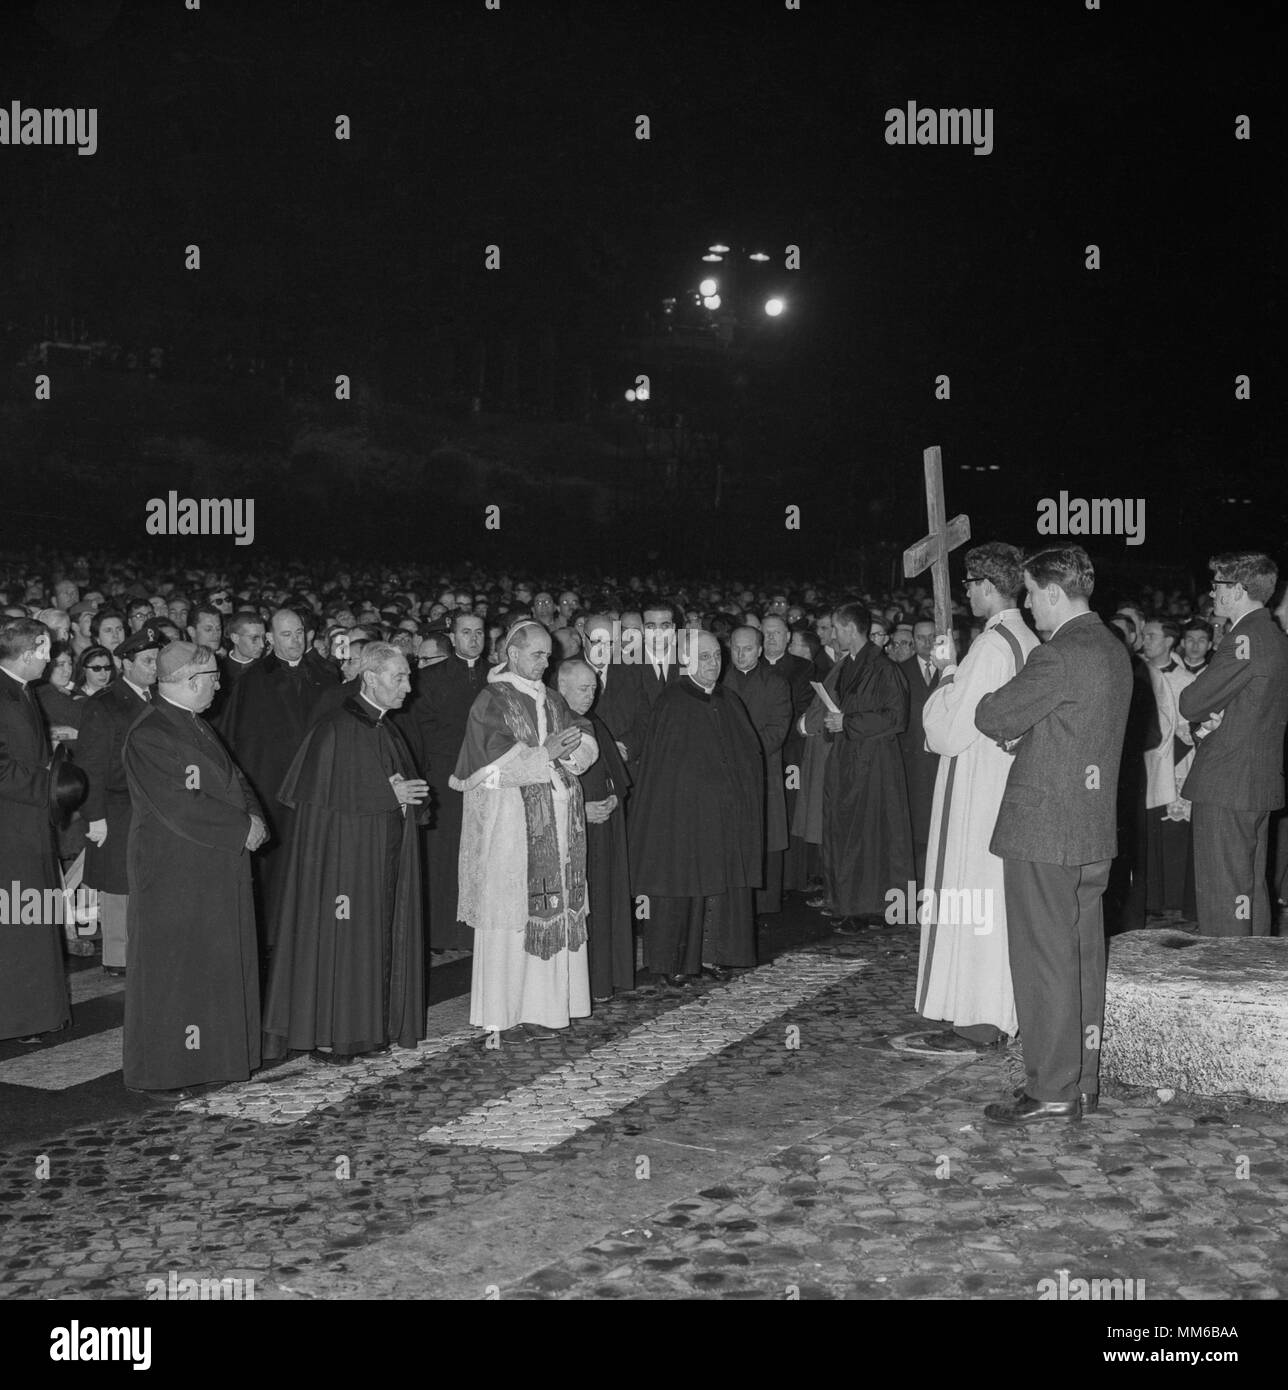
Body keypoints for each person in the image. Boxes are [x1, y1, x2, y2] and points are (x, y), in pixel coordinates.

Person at [975, 547, 1131, 1125]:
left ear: (1053, 594)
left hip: (1045, 830)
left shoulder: (1059, 654)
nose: (1028, 605)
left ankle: (1050, 1088)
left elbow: (992, 715)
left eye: (1031, 593)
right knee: (1084, 958)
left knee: (1044, 962)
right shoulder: (1114, 651)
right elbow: (1077, 727)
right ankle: (1082, 1080)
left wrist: (1015, 722)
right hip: (1092, 832)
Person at [263, 644, 429, 1063]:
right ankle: (331, 1034)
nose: (409, 687)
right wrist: (387, 794)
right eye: (400, 677)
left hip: (379, 857)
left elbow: (402, 786)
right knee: (344, 940)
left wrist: (407, 799)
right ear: (370, 679)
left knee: (375, 939)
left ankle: (365, 1030)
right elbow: (325, 804)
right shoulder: (335, 729)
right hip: (342, 865)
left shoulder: (385, 728)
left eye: (408, 676)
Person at [121, 642, 267, 1096]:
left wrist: (254, 817)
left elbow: (236, 777)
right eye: (212, 678)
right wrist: (242, 826)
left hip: (211, 865)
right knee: (177, 970)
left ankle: (215, 1057)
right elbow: (181, 805)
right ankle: (171, 1069)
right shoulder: (151, 733)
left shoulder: (193, 722)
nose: (219, 684)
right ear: (188, 682)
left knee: (212, 964)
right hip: (176, 872)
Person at [912, 543, 1038, 1053]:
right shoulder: (1026, 638)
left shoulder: (990, 648)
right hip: (1005, 781)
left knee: (972, 892)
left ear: (987, 586)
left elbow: (947, 731)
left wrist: (946, 674)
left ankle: (979, 1017)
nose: (966, 592)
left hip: (979, 786)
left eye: (969, 584)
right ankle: (990, 1011)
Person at [452, 621, 597, 1039]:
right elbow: (483, 771)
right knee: (513, 913)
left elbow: (582, 738)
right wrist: (543, 755)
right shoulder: (491, 701)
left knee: (553, 904)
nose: (545, 662)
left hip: (557, 823)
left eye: (549, 655)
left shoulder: (551, 698)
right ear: (513, 654)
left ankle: (547, 1007)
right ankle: (505, 1009)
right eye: (537, 654)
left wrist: (572, 755)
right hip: (511, 826)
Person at [629, 631, 764, 984]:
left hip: (723, 816)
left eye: (717, 656)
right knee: (682, 884)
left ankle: (716, 953)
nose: (713, 664)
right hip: (684, 819)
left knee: (722, 883)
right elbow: (663, 769)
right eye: (704, 657)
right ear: (686, 659)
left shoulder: (729, 699)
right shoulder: (672, 701)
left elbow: (749, 757)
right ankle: (676, 961)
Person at [217, 607, 339, 963]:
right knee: (277, 868)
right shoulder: (253, 680)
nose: (295, 641)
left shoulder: (325, 673)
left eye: (300, 632)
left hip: (318, 786)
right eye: (286, 634)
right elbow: (239, 741)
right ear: (270, 638)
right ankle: (274, 936)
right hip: (273, 786)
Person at [1179, 552, 1288, 937]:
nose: (1212, 591)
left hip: (1227, 782)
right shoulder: (1274, 636)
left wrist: (1207, 717)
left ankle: (1223, 980)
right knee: (1249, 889)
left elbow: (1190, 702)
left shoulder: (1243, 637)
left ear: (1239, 590)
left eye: (1218, 584)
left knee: (1224, 894)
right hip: (1256, 780)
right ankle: (1250, 976)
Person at [801, 601, 913, 932]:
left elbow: (896, 718)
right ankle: (848, 901)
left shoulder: (883, 668)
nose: (832, 635)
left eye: (835, 628)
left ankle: (871, 907)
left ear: (850, 629)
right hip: (847, 759)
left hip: (874, 763)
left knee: (871, 834)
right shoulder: (848, 665)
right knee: (845, 831)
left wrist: (847, 721)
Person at [0, 619, 73, 1043]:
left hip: (28, 823)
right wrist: (48, 782)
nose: (51, 658)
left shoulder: (23, 691)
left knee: (33, 922)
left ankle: (33, 1016)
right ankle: (19, 1018)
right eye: (45, 651)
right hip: (10, 828)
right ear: (27, 653)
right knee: (19, 924)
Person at [399, 611, 489, 954]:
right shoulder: (430, 678)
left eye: (479, 633)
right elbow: (422, 729)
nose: (474, 639)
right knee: (444, 854)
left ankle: (473, 931)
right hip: (445, 776)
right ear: (452, 637)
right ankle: (440, 932)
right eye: (466, 632)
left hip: (488, 778)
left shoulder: (496, 676)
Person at [78, 628, 162, 976]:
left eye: (157, 660)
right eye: (146, 661)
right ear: (124, 662)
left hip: (152, 803)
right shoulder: (105, 704)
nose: (154, 667)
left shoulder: (159, 697)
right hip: (116, 804)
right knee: (117, 884)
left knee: (146, 879)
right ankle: (117, 956)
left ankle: (146, 947)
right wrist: (94, 816)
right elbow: (90, 766)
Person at [557, 658, 634, 1001]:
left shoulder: (591, 720)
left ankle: (603, 979)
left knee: (605, 901)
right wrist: (580, 811)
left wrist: (615, 796)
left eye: (593, 688)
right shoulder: (554, 725)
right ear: (561, 689)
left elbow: (614, 770)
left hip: (604, 825)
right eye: (582, 689)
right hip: (574, 827)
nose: (590, 696)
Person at [722, 626, 791, 919]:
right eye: (736, 648)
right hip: (723, 769)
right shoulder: (721, 679)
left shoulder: (775, 683)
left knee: (766, 835)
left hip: (762, 768)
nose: (740, 655)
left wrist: (744, 749)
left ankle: (765, 906)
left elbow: (778, 729)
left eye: (747, 649)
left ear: (760, 650)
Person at [896, 618, 941, 883]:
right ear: (913, 640)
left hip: (939, 761)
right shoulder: (900, 671)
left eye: (931, 637)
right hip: (910, 761)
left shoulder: (953, 672)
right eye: (921, 637)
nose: (926, 642)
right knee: (914, 830)